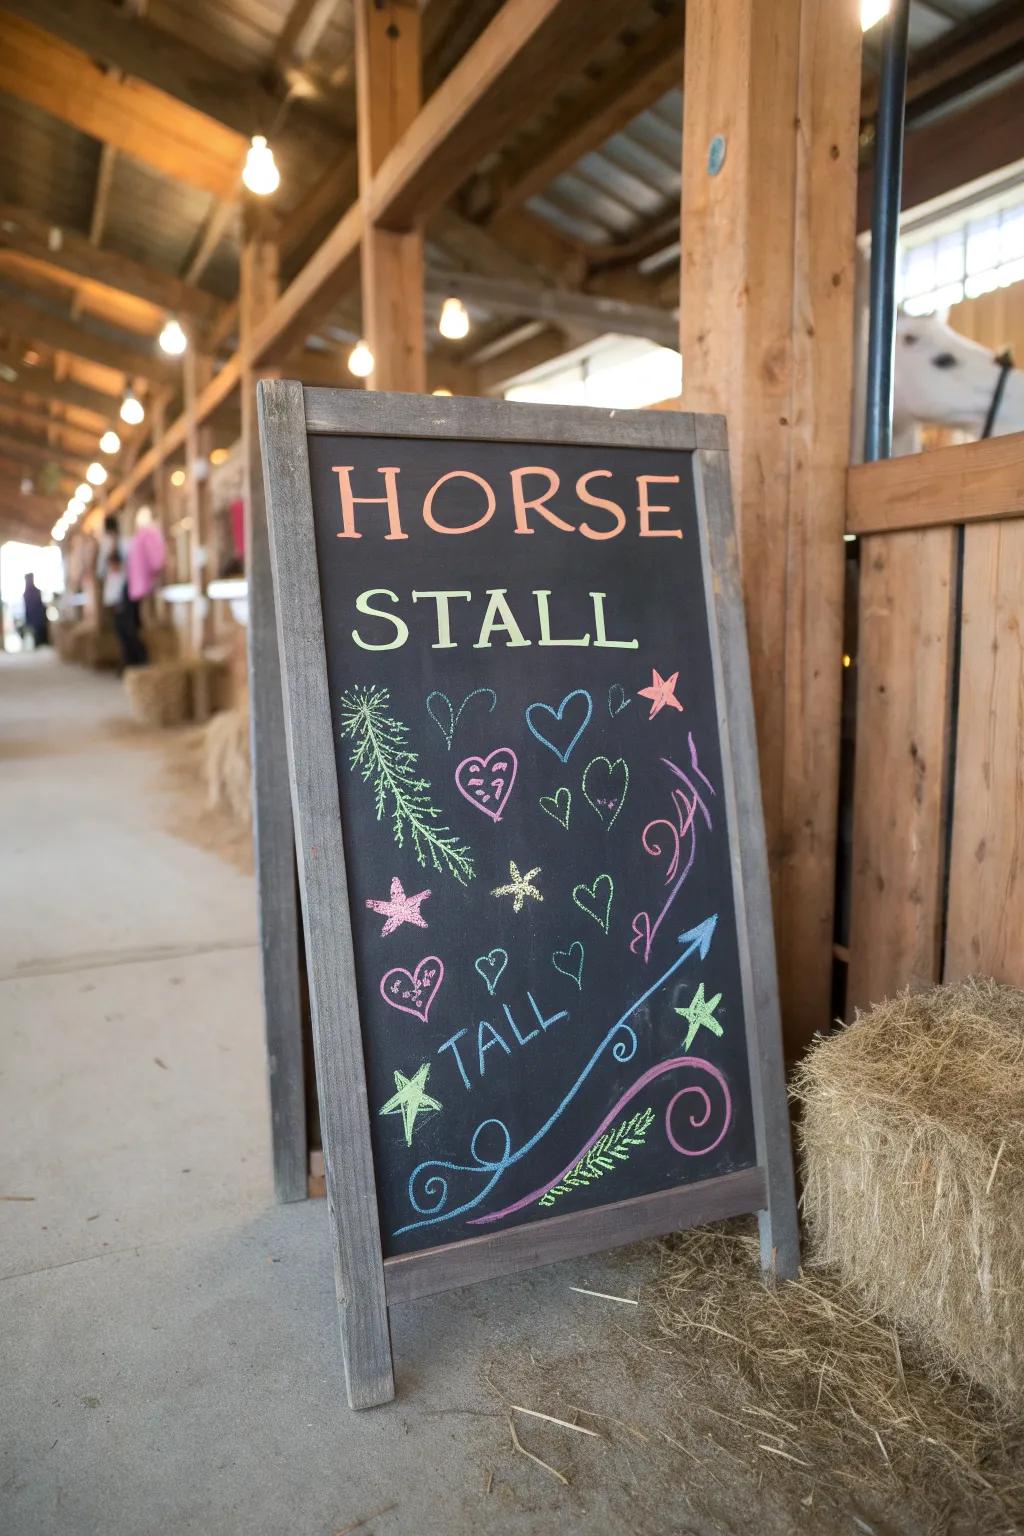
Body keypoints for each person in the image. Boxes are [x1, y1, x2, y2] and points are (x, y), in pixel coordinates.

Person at [108, 550, 147, 668]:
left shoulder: (125, 578)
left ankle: (138, 660)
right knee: (123, 638)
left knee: (131, 636)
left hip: (127, 612)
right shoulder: (112, 577)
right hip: (118, 612)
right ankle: (129, 661)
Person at [22, 573, 48, 648]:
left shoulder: (32, 592)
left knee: (39, 636)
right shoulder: (29, 592)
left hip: (37, 617)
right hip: (34, 617)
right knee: (36, 636)